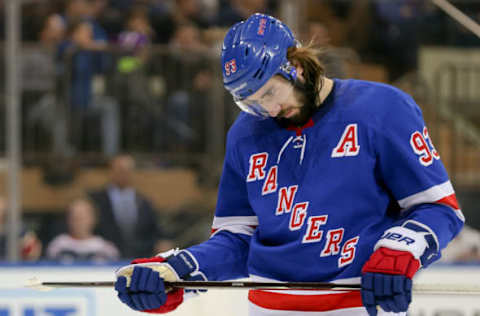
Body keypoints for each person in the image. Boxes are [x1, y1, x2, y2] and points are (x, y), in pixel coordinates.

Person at [114, 13, 464, 316]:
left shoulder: (382, 109)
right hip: (269, 306)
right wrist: (175, 271)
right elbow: (236, 240)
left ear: (296, 66)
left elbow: (438, 207)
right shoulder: (246, 135)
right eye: (250, 103)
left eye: (268, 93)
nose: (268, 111)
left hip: (358, 303)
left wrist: (399, 250)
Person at [89, 154, 173, 259]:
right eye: (120, 170)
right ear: (110, 171)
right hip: (105, 260)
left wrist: (163, 242)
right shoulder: (96, 201)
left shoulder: (144, 202)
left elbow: (155, 230)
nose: (123, 174)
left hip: (139, 259)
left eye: (127, 170)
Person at [46, 197, 120, 263]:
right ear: (68, 219)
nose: (78, 221)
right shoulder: (57, 246)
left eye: (82, 217)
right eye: (74, 217)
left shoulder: (106, 248)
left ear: (93, 218)